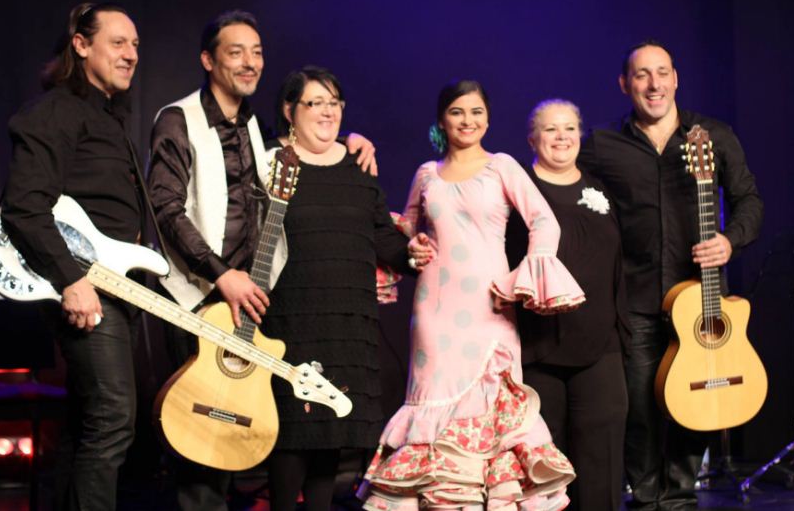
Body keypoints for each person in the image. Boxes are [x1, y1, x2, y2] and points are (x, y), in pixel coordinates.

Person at [147, 11, 379, 511]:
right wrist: (220, 273)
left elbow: (305, 145)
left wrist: (352, 140)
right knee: (201, 441)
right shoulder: (177, 118)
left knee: (233, 441)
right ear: (209, 60)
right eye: (236, 52)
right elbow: (164, 208)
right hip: (198, 295)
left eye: (257, 52)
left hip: (246, 302)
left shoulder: (255, 125)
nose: (250, 62)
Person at [360, 80, 583, 510]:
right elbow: (406, 227)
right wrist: (411, 245)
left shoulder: (502, 166)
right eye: (458, 112)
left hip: (490, 306)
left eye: (477, 111)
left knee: (493, 408)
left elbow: (545, 222)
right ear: (442, 120)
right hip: (434, 310)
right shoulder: (426, 173)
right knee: (432, 406)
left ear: (489, 118)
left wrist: (524, 277)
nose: (468, 120)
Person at [579, 40, 763, 510]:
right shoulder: (602, 145)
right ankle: (645, 499)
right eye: (642, 75)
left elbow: (749, 201)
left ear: (676, 78)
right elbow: (557, 183)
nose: (654, 84)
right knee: (640, 409)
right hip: (636, 299)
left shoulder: (714, 136)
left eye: (662, 73)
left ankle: (679, 497)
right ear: (625, 84)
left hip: (703, 300)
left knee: (697, 405)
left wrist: (730, 240)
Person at [0, 2, 148, 510]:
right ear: (81, 46)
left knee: (89, 427)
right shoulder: (56, 111)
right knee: (111, 421)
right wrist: (70, 279)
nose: (130, 54)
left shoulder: (105, 117)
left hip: (115, 288)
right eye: (117, 42)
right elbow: (22, 207)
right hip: (86, 289)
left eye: (135, 45)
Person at [258, 66, 416, 511]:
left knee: (332, 426)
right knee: (293, 430)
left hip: (347, 317)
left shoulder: (357, 165)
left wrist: (412, 254)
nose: (327, 112)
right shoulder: (269, 161)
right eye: (315, 103)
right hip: (291, 315)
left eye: (334, 103)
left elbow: (382, 234)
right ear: (290, 111)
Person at [508, 99, 630, 510]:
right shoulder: (518, 192)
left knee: (602, 461)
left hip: (601, 347)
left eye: (570, 128)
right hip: (537, 351)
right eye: (550, 129)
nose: (561, 137)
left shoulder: (601, 190)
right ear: (532, 138)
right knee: (545, 470)